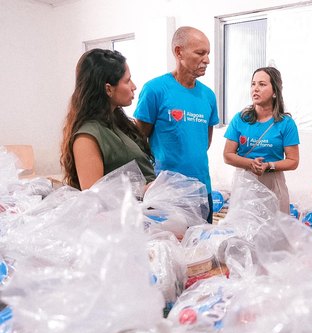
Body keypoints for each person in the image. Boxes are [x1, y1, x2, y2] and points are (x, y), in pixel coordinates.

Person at [134, 26, 219, 223]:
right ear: (178, 52)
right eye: (200, 53)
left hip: (201, 189)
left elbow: (204, 142)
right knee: (168, 248)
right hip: (166, 192)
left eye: (208, 53)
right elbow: (139, 142)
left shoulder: (208, 96)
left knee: (200, 249)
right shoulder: (155, 90)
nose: (207, 60)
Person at [60, 49, 155, 190]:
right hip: (127, 209)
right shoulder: (88, 136)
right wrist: (145, 190)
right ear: (108, 89)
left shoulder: (118, 124)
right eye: (127, 81)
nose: (134, 87)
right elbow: (93, 196)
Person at [223, 66, 300, 214]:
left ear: (275, 92)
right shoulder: (240, 119)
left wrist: (269, 165)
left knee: (274, 232)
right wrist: (250, 163)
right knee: (243, 230)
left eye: (262, 84)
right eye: (253, 84)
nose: (255, 89)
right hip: (244, 182)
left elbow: (293, 161)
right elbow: (227, 155)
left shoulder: (286, 123)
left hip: (273, 181)